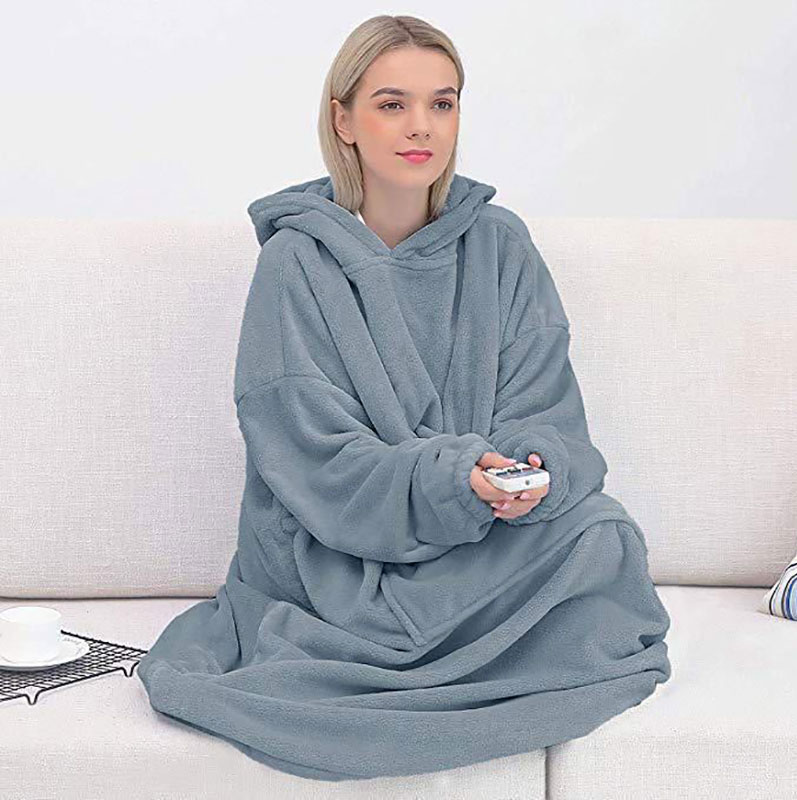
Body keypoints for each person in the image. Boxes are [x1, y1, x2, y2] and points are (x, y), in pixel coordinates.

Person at [137, 15, 672, 783]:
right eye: (392, 104)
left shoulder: (500, 245)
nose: (422, 126)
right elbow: (312, 457)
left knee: (601, 534)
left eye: (441, 103)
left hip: (481, 534)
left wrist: (532, 471)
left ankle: (467, 645)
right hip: (339, 554)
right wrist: (447, 479)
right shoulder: (296, 263)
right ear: (343, 120)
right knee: (392, 595)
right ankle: (434, 663)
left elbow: (547, 408)